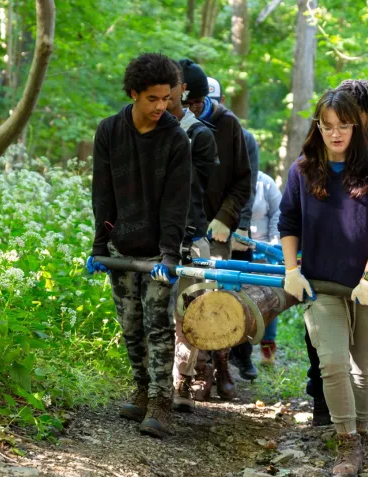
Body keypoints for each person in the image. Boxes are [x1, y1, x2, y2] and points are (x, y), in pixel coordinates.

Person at [278, 89, 368, 476]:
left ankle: (361, 435)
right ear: (318, 127)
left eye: (343, 126)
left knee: (363, 367)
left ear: (356, 126)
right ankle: (346, 444)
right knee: (332, 364)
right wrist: (290, 270)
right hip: (321, 284)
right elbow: (288, 222)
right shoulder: (302, 170)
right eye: (327, 126)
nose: (335, 133)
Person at [87, 53, 192, 438]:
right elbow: (103, 192)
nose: (161, 107)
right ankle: (142, 390)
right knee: (130, 325)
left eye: (167, 99)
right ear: (134, 93)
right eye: (153, 99)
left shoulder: (175, 138)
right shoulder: (109, 132)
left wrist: (169, 251)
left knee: (157, 324)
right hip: (121, 247)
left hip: (158, 251)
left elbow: (176, 202)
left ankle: (163, 401)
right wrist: (100, 243)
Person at [305, 78, 368, 427]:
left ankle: (359, 427)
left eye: (352, 117)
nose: (340, 128)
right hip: (324, 266)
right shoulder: (318, 150)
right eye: (332, 122)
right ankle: (323, 405)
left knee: (363, 361)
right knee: (325, 348)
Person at [180, 60, 253, 401]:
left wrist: (226, 217)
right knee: (182, 302)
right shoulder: (167, 123)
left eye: (194, 103)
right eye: (184, 103)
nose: (189, 109)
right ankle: (188, 374)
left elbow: (243, 180)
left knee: (213, 301)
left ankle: (220, 363)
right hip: (178, 226)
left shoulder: (228, 126)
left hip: (215, 229)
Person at [165, 60, 219, 414]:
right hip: (149, 234)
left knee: (188, 312)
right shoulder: (143, 128)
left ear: (181, 91)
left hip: (190, 233)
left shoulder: (199, 134)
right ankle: (153, 384)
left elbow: (200, 190)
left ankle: (182, 379)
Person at [204, 76, 262, 381]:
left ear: (222, 101)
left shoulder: (242, 136)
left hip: (233, 226)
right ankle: (204, 367)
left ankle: (237, 358)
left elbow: (246, 186)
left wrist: (240, 231)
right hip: (199, 227)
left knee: (235, 294)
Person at [250, 170, 282, 366]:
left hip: (265, 250)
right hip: (237, 249)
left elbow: (278, 215)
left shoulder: (266, 183)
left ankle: (267, 348)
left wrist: (274, 246)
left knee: (270, 297)